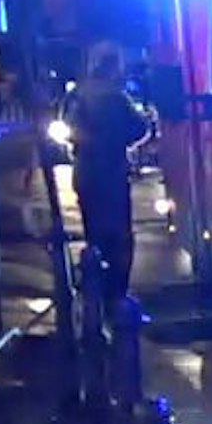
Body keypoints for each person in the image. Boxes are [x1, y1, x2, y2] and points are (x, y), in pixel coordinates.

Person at [66, 42, 151, 299]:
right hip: (112, 173)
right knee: (119, 236)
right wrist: (118, 140)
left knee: (94, 232)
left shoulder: (79, 94)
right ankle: (116, 293)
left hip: (85, 173)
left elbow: (68, 129)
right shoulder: (117, 97)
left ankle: (95, 287)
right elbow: (139, 128)